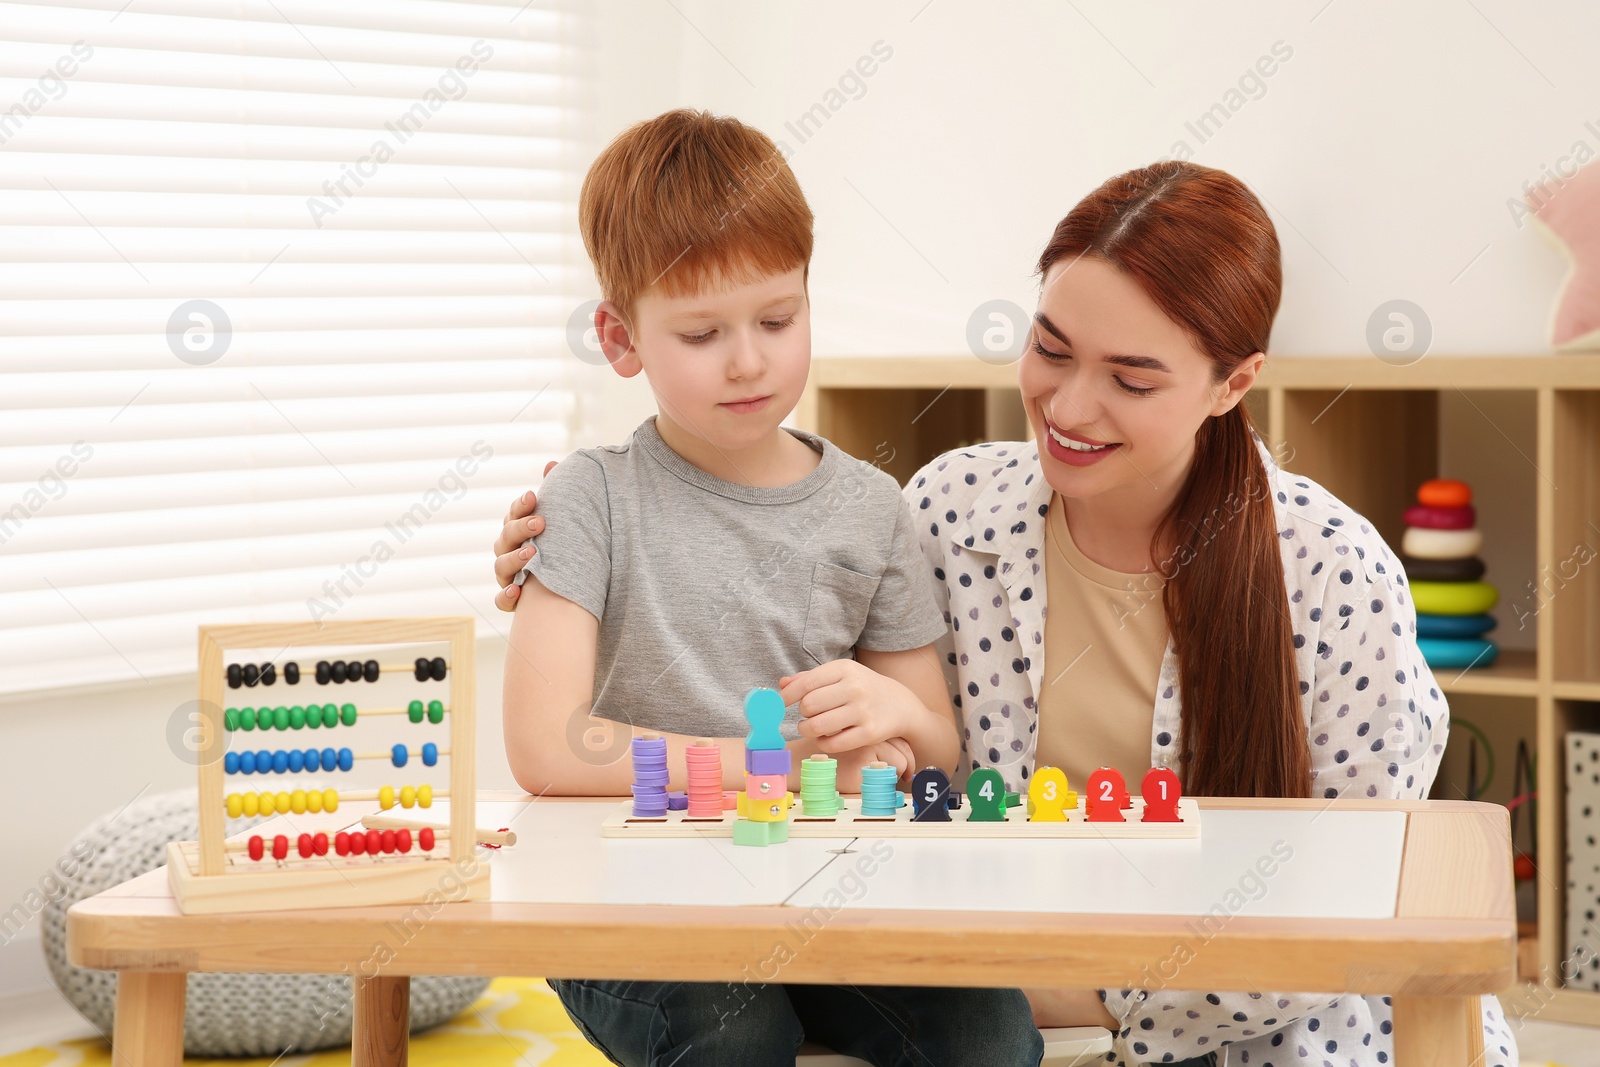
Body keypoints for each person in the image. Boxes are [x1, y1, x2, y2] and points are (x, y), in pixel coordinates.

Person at [493, 159, 1519, 1067]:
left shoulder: (1333, 578)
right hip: (942, 969)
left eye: (1131, 377)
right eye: (1051, 347)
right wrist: (593, 526)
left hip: (1255, 1029)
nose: (1069, 407)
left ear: (1231, 384)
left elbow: (1352, 918)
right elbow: (862, 710)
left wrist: (1049, 989)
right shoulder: (946, 510)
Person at [504, 108, 1042, 1067]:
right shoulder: (591, 497)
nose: (749, 359)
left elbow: (937, 750)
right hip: (632, 900)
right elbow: (548, 746)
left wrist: (895, 713)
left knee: (989, 1027)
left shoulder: (875, 509)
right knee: (737, 1032)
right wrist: (775, 767)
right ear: (621, 338)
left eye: (777, 319)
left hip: (826, 890)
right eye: (703, 331)